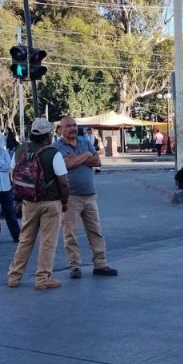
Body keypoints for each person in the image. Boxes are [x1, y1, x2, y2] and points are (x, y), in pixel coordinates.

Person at [7, 119, 69, 290]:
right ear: (47, 135)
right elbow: (63, 182)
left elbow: (12, 174)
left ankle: (14, 277)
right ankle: (42, 278)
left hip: (28, 201)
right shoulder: (53, 153)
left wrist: (20, 195)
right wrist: (64, 202)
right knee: (48, 241)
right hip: (50, 202)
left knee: (25, 240)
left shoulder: (20, 150)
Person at [53, 117, 118, 279]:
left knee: (96, 231)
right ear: (61, 129)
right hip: (70, 197)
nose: (73, 128)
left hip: (90, 194)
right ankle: (74, 266)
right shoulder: (57, 147)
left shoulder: (85, 142)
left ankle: (100, 264)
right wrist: (86, 156)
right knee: (70, 234)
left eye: (74, 125)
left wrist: (79, 158)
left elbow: (97, 162)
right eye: (68, 126)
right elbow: (66, 165)